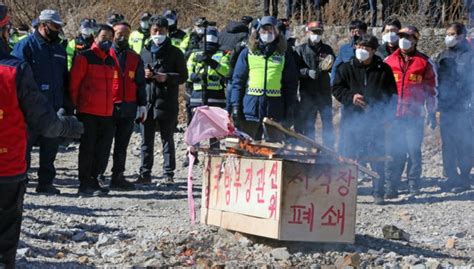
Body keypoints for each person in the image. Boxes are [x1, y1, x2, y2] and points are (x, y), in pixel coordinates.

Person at [0, 4, 84, 268]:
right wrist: (70, 127)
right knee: (5, 229)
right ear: (5, 30)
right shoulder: (14, 70)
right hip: (6, 167)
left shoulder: (52, 51)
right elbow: (46, 124)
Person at [332, 35, 398, 205]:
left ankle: (378, 192)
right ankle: (347, 192)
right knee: (349, 157)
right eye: (359, 46)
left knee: (377, 157)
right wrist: (350, 97)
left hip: (375, 121)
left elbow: (392, 96)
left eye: (366, 48)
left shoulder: (384, 70)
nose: (362, 51)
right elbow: (337, 88)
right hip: (351, 120)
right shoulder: (345, 68)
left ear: (374, 51)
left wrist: (388, 117)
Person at [12, 9, 69, 195]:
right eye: (55, 26)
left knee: (50, 148)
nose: (58, 30)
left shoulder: (59, 49)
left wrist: (66, 105)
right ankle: (21, 182)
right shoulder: (25, 46)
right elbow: (16, 77)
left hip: (52, 108)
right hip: (28, 110)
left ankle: (46, 183)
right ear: (43, 25)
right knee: (24, 149)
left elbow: (63, 78)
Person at [384, 26, 438, 198]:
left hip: (414, 115)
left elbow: (431, 91)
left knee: (413, 150)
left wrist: (431, 112)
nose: (403, 39)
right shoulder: (389, 61)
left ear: (415, 40)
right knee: (394, 151)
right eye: (401, 36)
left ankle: (414, 184)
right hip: (393, 116)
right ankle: (391, 185)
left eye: (407, 37)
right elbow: (380, 88)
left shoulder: (424, 62)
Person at [137, 16, 188, 185]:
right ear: (150, 31)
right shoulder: (144, 52)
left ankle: (168, 173)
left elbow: (183, 76)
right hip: (147, 103)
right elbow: (135, 75)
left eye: (161, 31)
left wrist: (166, 77)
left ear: (167, 32)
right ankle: (145, 173)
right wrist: (143, 74)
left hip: (167, 103)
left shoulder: (175, 52)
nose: (158, 34)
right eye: (155, 31)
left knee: (167, 140)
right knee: (146, 141)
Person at [230, 16, 298, 141]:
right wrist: (235, 106)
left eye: (270, 30)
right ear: (258, 31)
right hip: (251, 108)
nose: (267, 33)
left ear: (276, 32)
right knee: (248, 146)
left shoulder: (283, 55)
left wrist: (290, 107)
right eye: (264, 30)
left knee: (273, 148)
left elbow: (291, 85)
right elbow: (238, 82)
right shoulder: (248, 53)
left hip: (274, 109)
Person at [69, 24, 117, 196]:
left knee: (103, 149)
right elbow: (74, 84)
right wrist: (75, 106)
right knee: (88, 148)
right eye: (104, 37)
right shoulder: (85, 57)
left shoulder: (111, 60)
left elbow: (114, 85)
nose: (107, 41)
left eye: (110, 38)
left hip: (106, 112)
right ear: (96, 37)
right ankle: (84, 183)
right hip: (88, 111)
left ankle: (96, 179)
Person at [104, 21, 147, 191]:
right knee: (104, 144)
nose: (122, 37)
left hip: (128, 107)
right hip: (108, 106)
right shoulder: (105, 54)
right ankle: (98, 176)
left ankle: (118, 177)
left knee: (122, 145)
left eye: (126, 35)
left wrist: (142, 105)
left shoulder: (134, 57)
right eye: (119, 34)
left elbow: (140, 83)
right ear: (112, 34)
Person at [436, 22, 473, 192]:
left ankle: (464, 177)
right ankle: (451, 177)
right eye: (447, 33)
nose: (448, 37)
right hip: (446, 107)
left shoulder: (470, 56)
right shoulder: (442, 56)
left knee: (464, 142)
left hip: (465, 107)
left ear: (461, 36)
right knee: (448, 143)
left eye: (452, 34)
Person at [294, 21, 335, 148]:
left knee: (327, 123)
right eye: (314, 32)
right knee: (308, 122)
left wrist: (328, 67)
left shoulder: (327, 49)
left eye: (319, 32)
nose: (316, 34)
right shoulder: (300, 50)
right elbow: (295, 70)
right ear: (308, 32)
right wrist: (306, 72)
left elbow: (332, 66)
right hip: (308, 92)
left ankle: (328, 149)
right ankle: (309, 147)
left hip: (324, 92)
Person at [330, 20, 368, 85]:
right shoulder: (344, 48)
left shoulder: (370, 48)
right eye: (352, 32)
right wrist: (333, 82)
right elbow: (335, 66)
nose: (355, 34)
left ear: (364, 32)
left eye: (358, 32)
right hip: (348, 85)